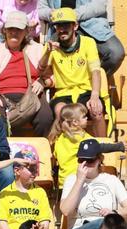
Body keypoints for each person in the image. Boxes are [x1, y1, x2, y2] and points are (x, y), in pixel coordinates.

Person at [60, 138, 127, 229]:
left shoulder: (111, 180)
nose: (85, 164)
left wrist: (114, 213)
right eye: (81, 160)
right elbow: (65, 210)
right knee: (105, 222)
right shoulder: (71, 180)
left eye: (90, 160)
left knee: (119, 225)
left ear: (99, 160)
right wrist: (80, 180)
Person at [0, 149, 63, 229]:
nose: (35, 172)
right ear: (17, 171)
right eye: (30, 169)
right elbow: (3, 225)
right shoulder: (5, 193)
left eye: (36, 168)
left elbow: (45, 221)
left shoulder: (40, 192)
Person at [42, 7, 106, 136]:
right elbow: (42, 71)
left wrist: (94, 95)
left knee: (96, 110)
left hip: (85, 91)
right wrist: (48, 52)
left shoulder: (88, 42)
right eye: (58, 26)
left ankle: (104, 148)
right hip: (63, 93)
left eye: (65, 25)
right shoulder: (51, 46)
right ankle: (61, 152)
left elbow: (95, 71)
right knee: (61, 110)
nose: (61, 29)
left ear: (75, 26)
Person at [0, 10, 51, 136]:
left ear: (26, 31)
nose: (14, 33)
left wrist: (42, 82)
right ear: (4, 30)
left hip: (31, 94)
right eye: (10, 29)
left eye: (18, 29)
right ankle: (2, 152)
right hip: (3, 95)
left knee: (45, 117)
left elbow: (51, 76)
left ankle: (42, 151)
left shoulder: (37, 49)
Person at [38, 0, 124, 76]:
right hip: (61, 27)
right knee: (46, 57)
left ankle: (94, 83)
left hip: (92, 25)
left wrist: (74, 14)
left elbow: (100, 5)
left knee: (116, 53)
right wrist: (52, 14)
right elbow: (40, 9)